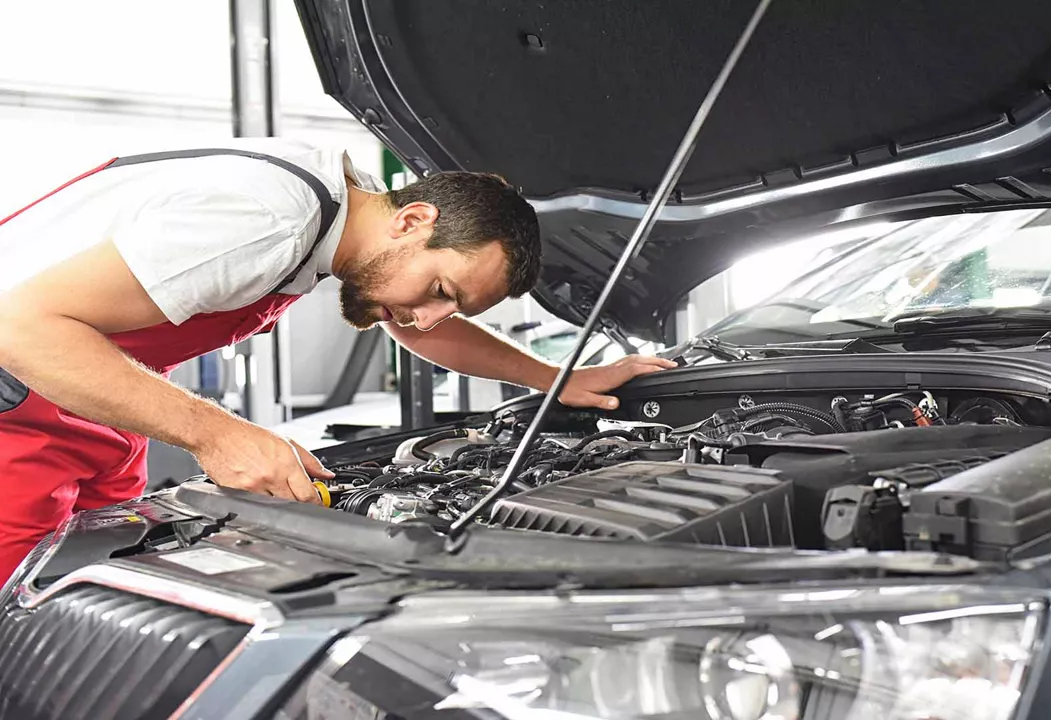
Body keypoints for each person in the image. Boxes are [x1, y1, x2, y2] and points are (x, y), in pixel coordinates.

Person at [0, 138, 676, 576]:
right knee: (19, 625)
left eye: (456, 307)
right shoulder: (271, 215)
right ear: (413, 221)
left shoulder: (337, 222)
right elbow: (21, 325)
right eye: (442, 290)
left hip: (91, 405)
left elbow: (416, 325)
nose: (432, 315)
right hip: (20, 400)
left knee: (83, 589)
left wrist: (557, 378)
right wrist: (220, 434)